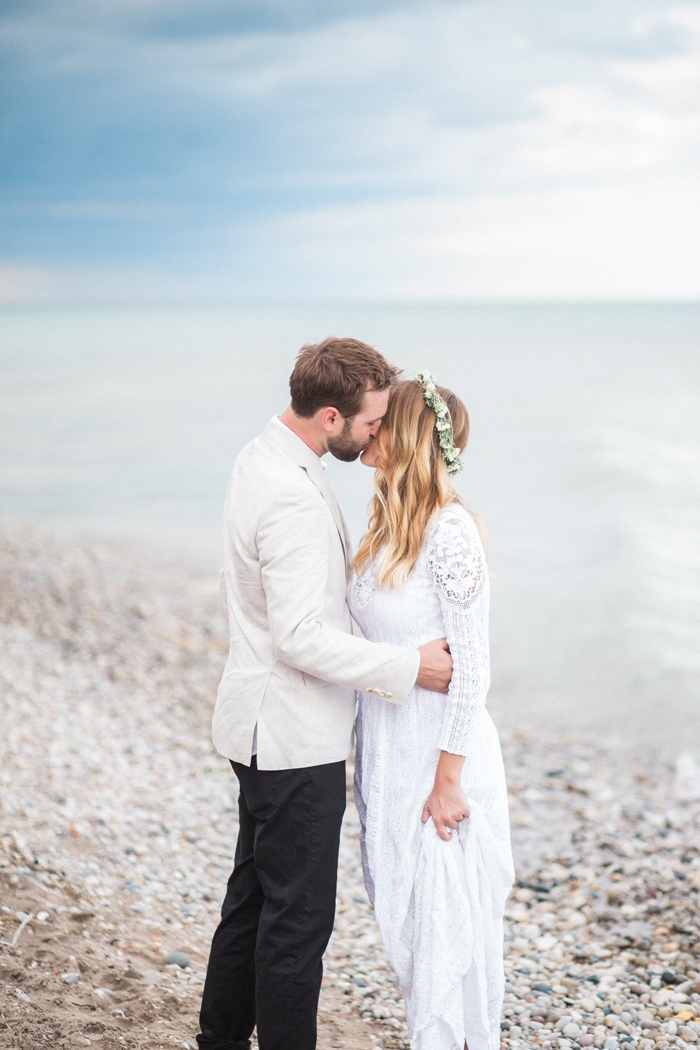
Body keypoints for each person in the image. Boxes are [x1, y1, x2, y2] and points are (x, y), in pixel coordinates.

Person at [197, 339, 453, 1050]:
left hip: (256, 724)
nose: (379, 434)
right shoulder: (293, 497)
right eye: (372, 422)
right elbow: (301, 637)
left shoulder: (263, 455)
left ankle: (218, 1040)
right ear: (332, 415)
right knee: (296, 926)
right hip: (291, 736)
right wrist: (409, 666)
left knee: (251, 904)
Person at [351, 373, 514, 1050]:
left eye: (380, 416)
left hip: (437, 756)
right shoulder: (387, 526)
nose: (367, 424)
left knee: (443, 932)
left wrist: (449, 781)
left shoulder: (451, 533)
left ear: (407, 432)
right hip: (387, 743)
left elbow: (472, 668)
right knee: (403, 919)